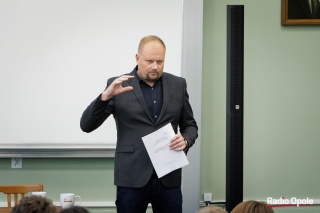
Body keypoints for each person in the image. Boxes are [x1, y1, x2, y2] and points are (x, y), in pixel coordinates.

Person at [80, 35, 198, 213]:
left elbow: (190, 125)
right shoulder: (118, 84)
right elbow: (86, 125)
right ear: (137, 58)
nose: (154, 67)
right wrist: (105, 96)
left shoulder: (177, 84)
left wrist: (186, 140)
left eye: (160, 61)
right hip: (131, 177)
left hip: (168, 177)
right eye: (149, 61)